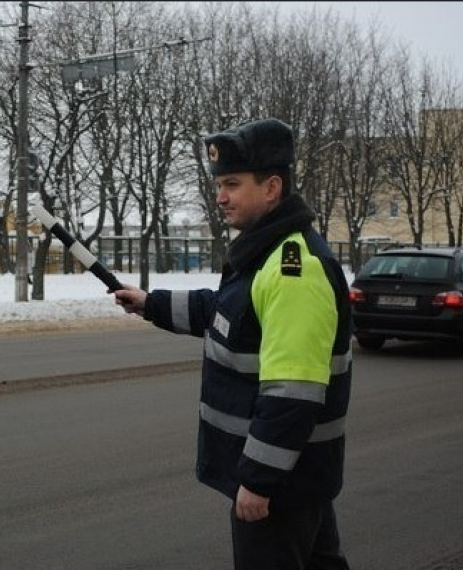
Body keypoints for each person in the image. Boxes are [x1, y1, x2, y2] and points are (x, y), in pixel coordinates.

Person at [110, 118, 352, 569]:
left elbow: (293, 392)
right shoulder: (266, 253)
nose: (220, 196)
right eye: (219, 184)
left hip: (280, 485)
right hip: (296, 479)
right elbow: (227, 313)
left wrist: (259, 481)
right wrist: (151, 304)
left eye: (233, 184)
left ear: (272, 187)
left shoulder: (289, 268)